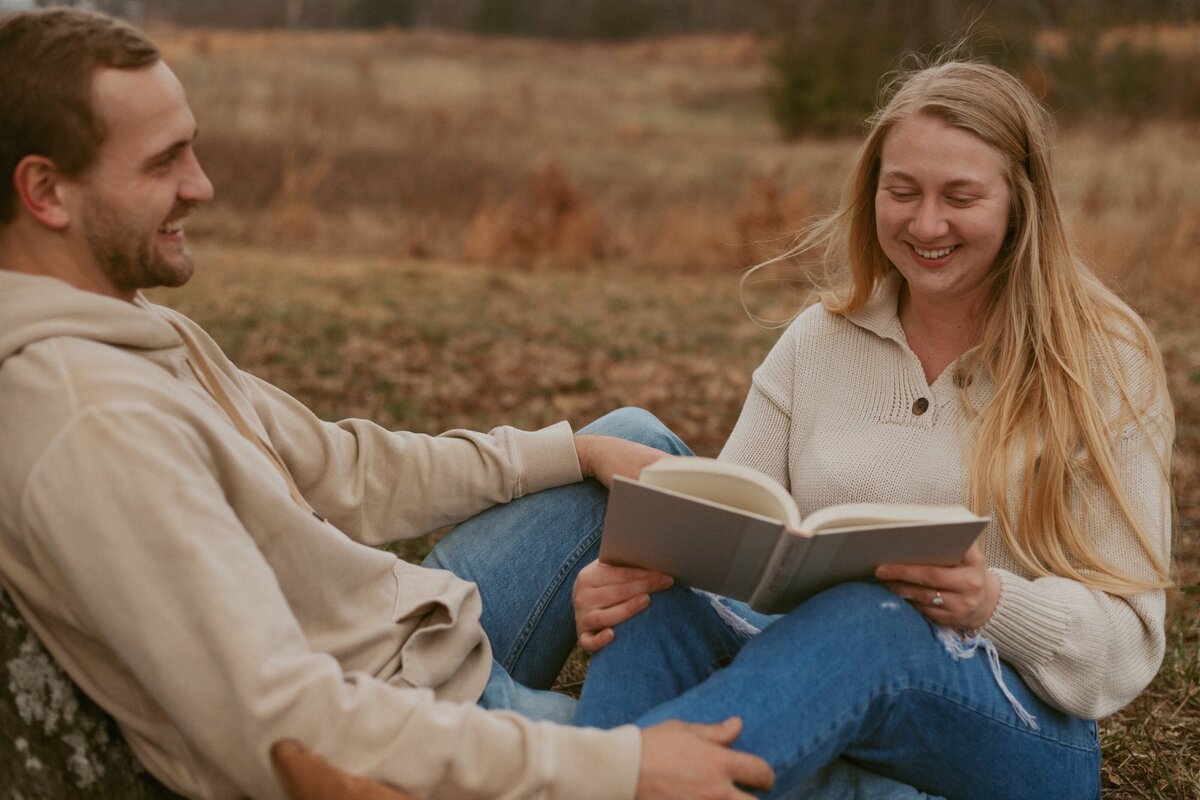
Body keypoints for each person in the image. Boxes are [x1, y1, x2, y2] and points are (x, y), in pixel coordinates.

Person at [0, 8, 778, 800]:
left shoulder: (129, 319)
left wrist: (572, 451)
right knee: (756, 766)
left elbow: (344, 467)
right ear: (45, 191)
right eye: (164, 162)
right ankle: (808, 675)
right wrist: (624, 765)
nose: (201, 185)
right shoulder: (91, 425)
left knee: (626, 441)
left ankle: (775, 637)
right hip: (392, 717)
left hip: (404, 633)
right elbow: (285, 719)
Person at [571, 58, 1174, 799]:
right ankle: (609, 776)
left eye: (961, 197)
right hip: (803, 670)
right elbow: (728, 535)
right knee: (652, 595)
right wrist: (623, 576)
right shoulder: (820, 339)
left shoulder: (1103, 360)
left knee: (872, 616)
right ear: (871, 194)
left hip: (1017, 731)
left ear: (1021, 203)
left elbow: (1133, 640)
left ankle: (598, 783)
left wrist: (993, 602)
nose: (926, 225)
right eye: (902, 192)